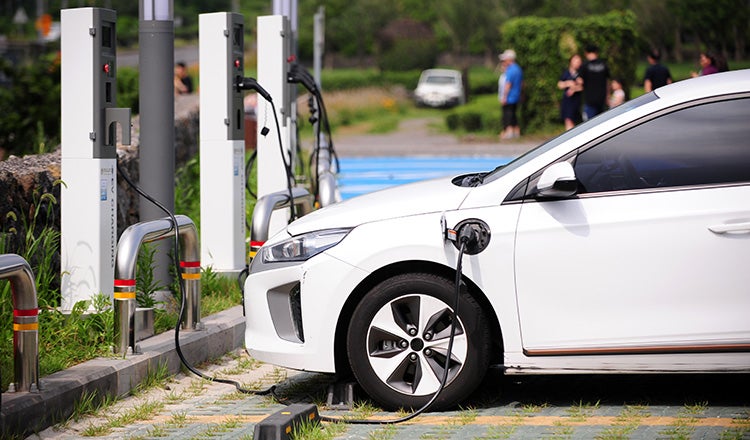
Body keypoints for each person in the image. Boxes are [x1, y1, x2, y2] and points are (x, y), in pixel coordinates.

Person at [579, 44, 609, 120]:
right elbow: (607, 81)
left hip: (590, 100)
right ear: (596, 52)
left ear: (586, 53)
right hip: (601, 99)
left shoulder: (585, 65)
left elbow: (580, 81)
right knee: (601, 122)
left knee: (590, 124)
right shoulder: (603, 64)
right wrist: (607, 96)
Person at [498, 49, 523, 139]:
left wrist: (504, 97)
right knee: (513, 114)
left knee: (507, 115)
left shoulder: (511, 70)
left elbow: (508, 84)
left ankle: (508, 132)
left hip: (510, 97)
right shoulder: (518, 69)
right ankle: (516, 132)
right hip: (516, 96)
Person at [557, 54, 583, 130]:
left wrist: (574, 89)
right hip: (568, 101)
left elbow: (582, 86)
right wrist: (568, 83)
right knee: (568, 120)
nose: (577, 63)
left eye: (579, 61)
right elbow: (560, 84)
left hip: (577, 101)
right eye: (576, 61)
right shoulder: (566, 73)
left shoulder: (581, 73)